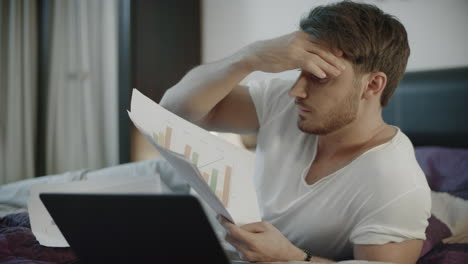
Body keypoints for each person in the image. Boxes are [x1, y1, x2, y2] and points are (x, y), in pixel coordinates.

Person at [160, 1, 431, 263]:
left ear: (372, 85)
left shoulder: (397, 185)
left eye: (319, 76)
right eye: (301, 70)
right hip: (191, 223)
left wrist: (293, 257)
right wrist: (250, 57)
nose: (296, 91)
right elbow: (173, 112)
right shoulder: (286, 102)